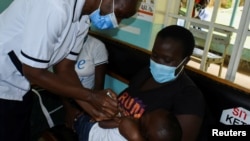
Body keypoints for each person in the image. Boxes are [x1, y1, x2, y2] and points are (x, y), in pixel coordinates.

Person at [0, 0, 140, 140]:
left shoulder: (83, 19)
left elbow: (64, 68)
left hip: (18, 85)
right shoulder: (54, 6)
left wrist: (93, 109)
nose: (117, 22)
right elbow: (33, 72)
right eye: (120, 15)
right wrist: (92, 96)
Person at [74, 25, 206, 141]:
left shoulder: (189, 97)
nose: (158, 63)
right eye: (154, 56)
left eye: (167, 59)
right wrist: (101, 111)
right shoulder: (147, 72)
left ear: (185, 61)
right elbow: (124, 101)